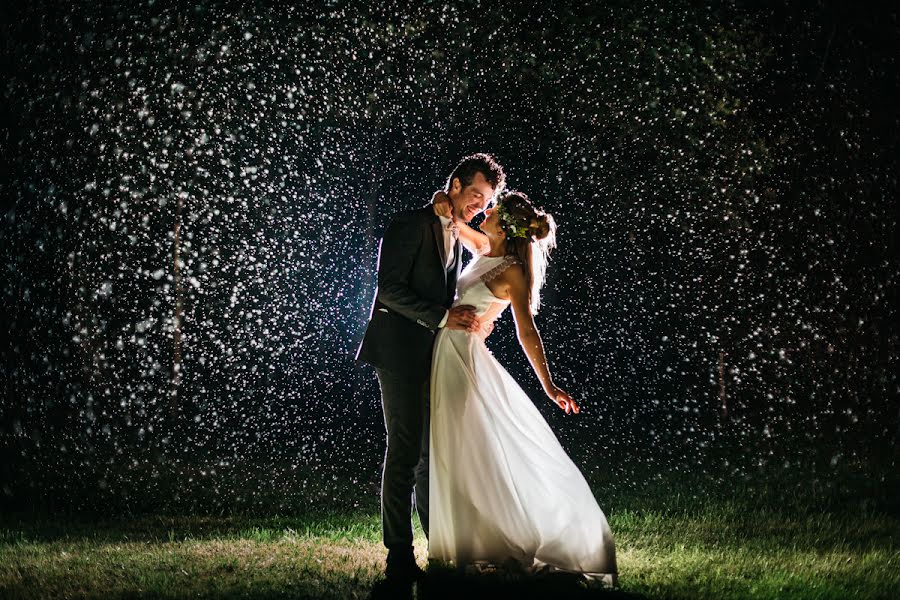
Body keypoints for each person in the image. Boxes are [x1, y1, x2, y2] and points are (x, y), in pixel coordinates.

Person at [427, 190, 618, 585]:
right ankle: (470, 542)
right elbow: (454, 225)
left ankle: (496, 543)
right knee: (453, 447)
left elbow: (525, 330)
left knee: (469, 448)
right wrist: (443, 204)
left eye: (494, 208)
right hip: (445, 353)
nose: (488, 209)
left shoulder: (512, 270)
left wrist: (548, 384)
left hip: (464, 358)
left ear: (507, 225)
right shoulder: (484, 248)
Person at [356, 153, 507, 584]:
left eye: (487, 199)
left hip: (436, 357)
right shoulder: (408, 224)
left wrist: (478, 318)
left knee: (428, 456)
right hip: (399, 352)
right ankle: (398, 557)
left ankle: (439, 547)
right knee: (404, 450)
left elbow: (480, 263)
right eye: (475, 193)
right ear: (454, 186)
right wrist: (444, 318)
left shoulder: (458, 232)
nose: (479, 204)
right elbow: (389, 291)